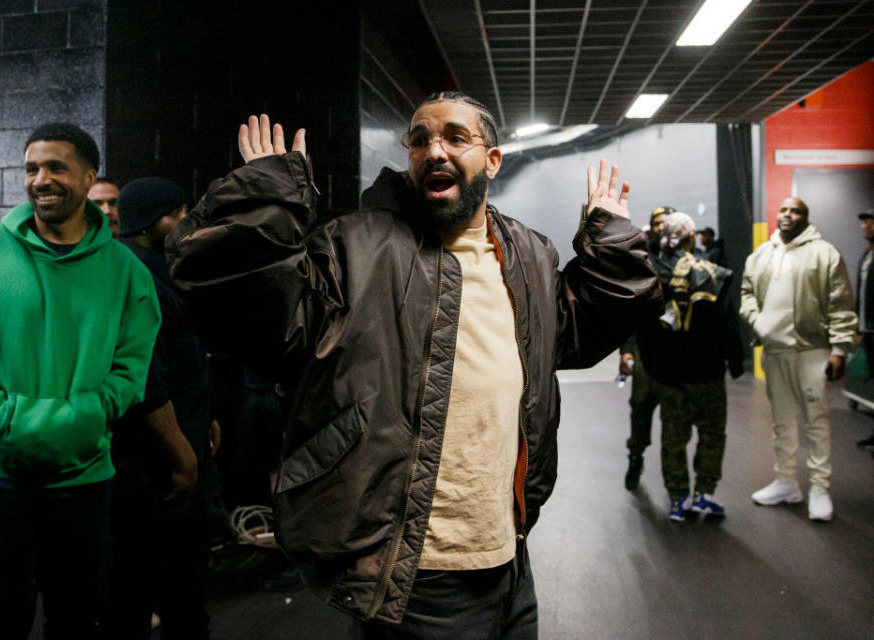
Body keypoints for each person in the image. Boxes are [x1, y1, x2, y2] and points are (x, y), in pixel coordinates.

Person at [166, 92, 662, 638]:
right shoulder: (355, 247)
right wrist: (260, 202)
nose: (434, 150)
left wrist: (611, 243)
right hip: (416, 570)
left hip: (508, 555)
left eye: (455, 136)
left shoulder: (527, 254)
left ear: (492, 161)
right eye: (420, 139)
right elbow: (253, 310)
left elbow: (579, 330)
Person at [0, 123, 161, 639]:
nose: (40, 179)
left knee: (75, 618)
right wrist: (0, 413)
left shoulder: (126, 271)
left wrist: (87, 415)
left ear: (89, 176)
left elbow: (132, 366)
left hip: (82, 480)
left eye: (56, 167)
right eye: (32, 168)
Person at [108, 177, 220, 639]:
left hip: (174, 449)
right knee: (152, 592)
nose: (187, 222)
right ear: (156, 220)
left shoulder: (154, 266)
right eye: (179, 213)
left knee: (178, 588)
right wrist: (182, 454)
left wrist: (204, 418)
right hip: (155, 466)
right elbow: (145, 378)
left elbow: (179, 358)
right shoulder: (132, 273)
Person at [741, 196, 857, 522]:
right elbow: (747, 293)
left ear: (806, 217)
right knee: (782, 421)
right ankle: (786, 481)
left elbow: (841, 305)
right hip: (776, 352)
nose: (788, 215)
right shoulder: (761, 255)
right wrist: (757, 321)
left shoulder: (825, 254)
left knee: (817, 421)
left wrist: (838, 349)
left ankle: (819, 488)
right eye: (784, 210)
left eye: (796, 211)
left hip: (812, 350)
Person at [639, 212, 744, 520]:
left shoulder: (650, 274)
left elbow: (642, 327)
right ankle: (703, 494)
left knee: (673, 436)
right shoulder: (713, 274)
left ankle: (677, 499)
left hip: (669, 375)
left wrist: (652, 364)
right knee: (711, 433)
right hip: (707, 372)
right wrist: (735, 363)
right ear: (692, 237)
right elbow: (728, 324)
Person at [620, 205, 674, 490]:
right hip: (644, 347)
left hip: (674, 354)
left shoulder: (685, 260)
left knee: (674, 420)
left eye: (668, 222)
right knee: (640, 408)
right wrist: (626, 350)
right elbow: (629, 311)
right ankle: (635, 457)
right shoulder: (641, 260)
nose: (663, 227)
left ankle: (673, 480)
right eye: (657, 223)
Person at [854, 208, 874, 451]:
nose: (866, 227)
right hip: (867, 330)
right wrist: (858, 327)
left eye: (871, 223)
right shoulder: (865, 256)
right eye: (865, 223)